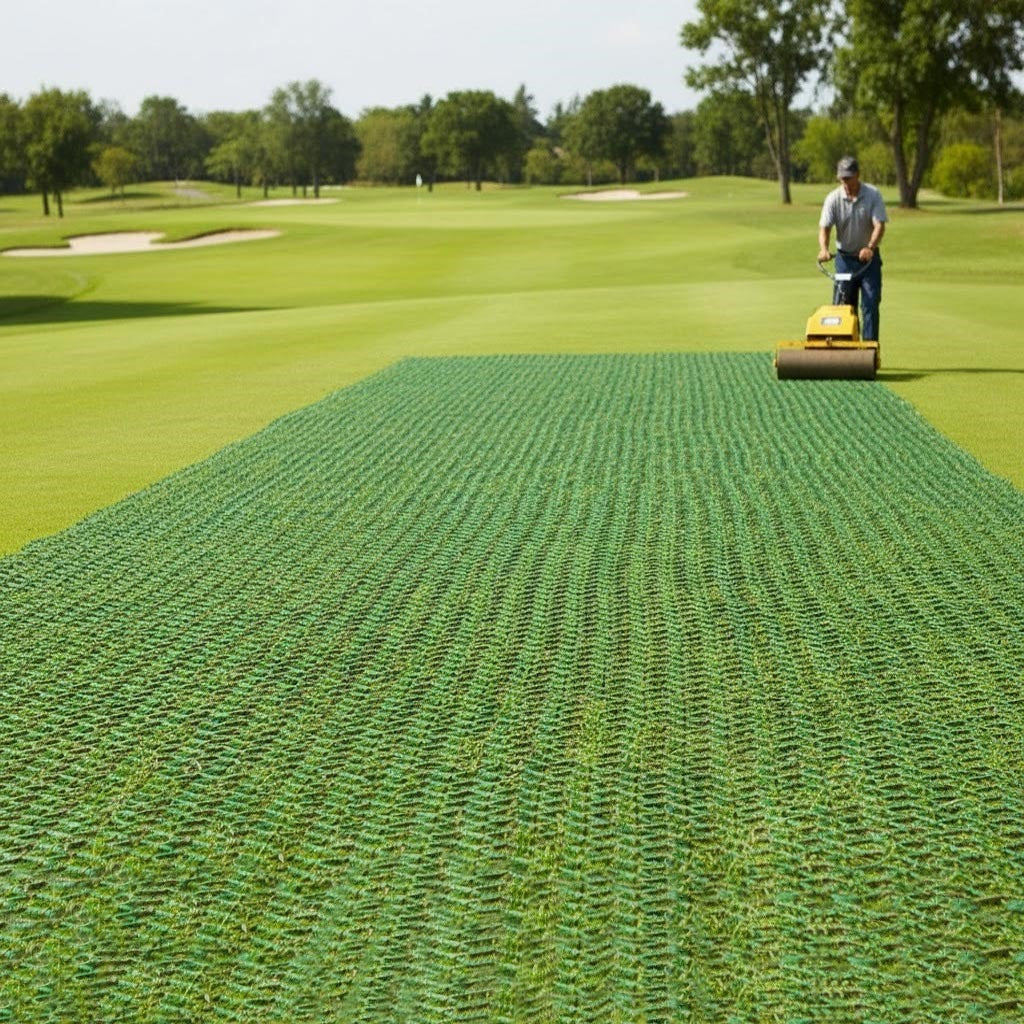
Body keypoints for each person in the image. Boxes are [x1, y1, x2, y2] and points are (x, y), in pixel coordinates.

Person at [817, 156, 887, 342]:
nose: (845, 182)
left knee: (870, 304)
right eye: (842, 179)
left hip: (868, 261)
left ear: (858, 175)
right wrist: (824, 249)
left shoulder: (873, 195)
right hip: (844, 261)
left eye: (849, 178)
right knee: (842, 306)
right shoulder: (833, 198)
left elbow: (879, 225)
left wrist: (870, 247)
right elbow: (825, 228)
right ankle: (844, 352)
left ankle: (870, 352)